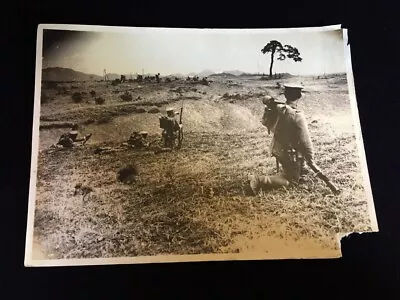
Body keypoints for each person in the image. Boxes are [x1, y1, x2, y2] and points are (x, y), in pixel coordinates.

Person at [247, 83, 322, 195]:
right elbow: (306, 142)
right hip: (290, 154)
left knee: (298, 171)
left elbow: (267, 124)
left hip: (278, 148)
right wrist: (311, 159)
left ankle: (298, 170)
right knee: (291, 182)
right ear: (299, 96)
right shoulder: (297, 115)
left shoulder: (278, 108)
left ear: (285, 94)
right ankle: (258, 179)